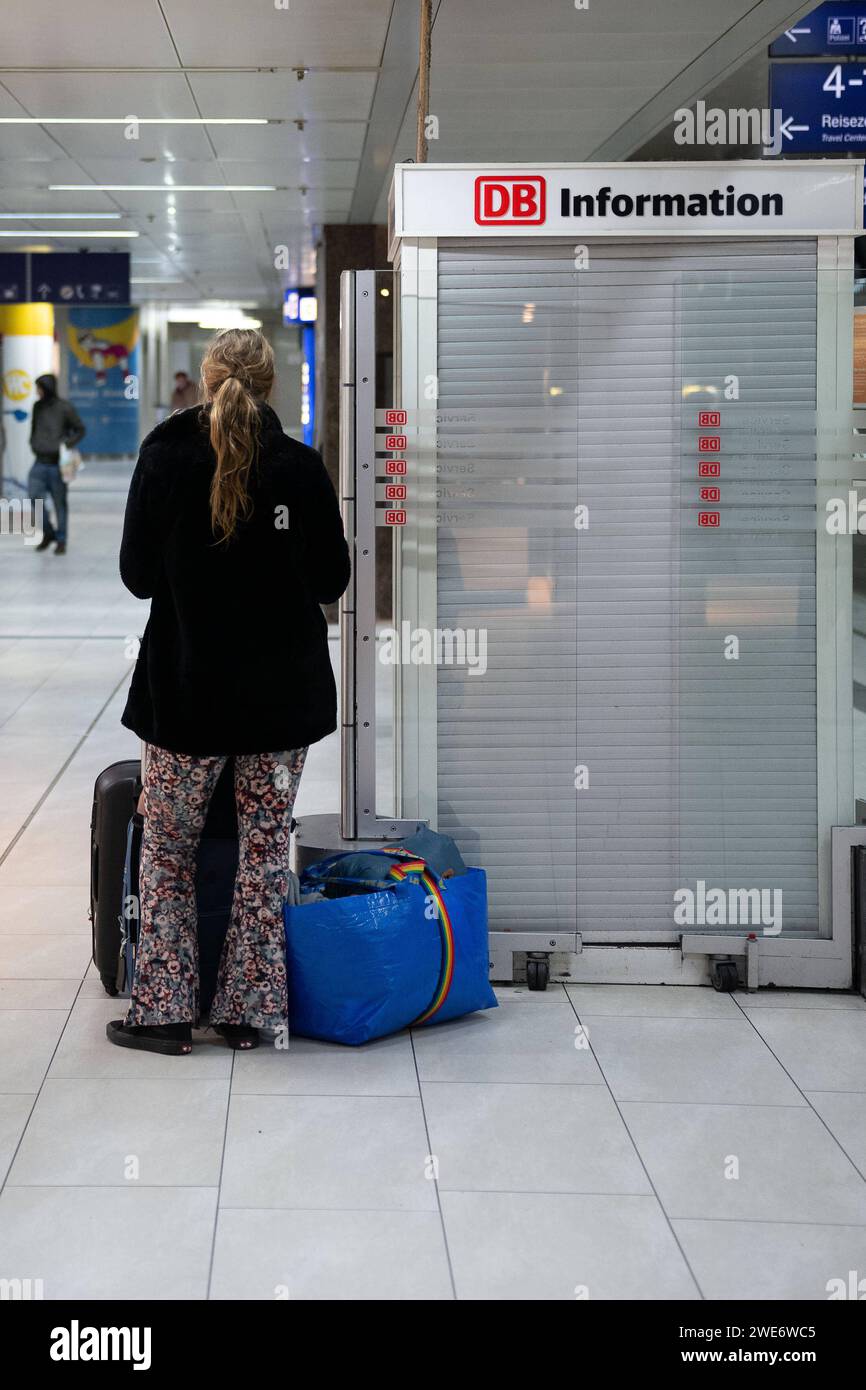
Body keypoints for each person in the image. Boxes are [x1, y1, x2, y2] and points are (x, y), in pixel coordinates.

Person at [108, 328, 350, 1056]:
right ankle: (249, 1015)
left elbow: (138, 576)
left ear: (207, 380)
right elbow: (333, 581)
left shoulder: (164, 456)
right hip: (281, 702)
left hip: (187, 697)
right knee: (264, 849)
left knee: (170, 849)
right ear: (270, 384)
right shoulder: (301, 467)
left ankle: (165, 1015)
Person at [29, 374, 86, 555]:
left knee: (59, 503)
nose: (37, 391)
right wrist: (33, 442)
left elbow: (80, 429)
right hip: (39, 461)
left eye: (39, 387)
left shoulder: (64, 408)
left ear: (47, 388)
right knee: (34, 498)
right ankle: (48, 533)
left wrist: (65, 444)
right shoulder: (37, 407)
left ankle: (61, 540)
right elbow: (34, 428)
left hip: (57, 465)